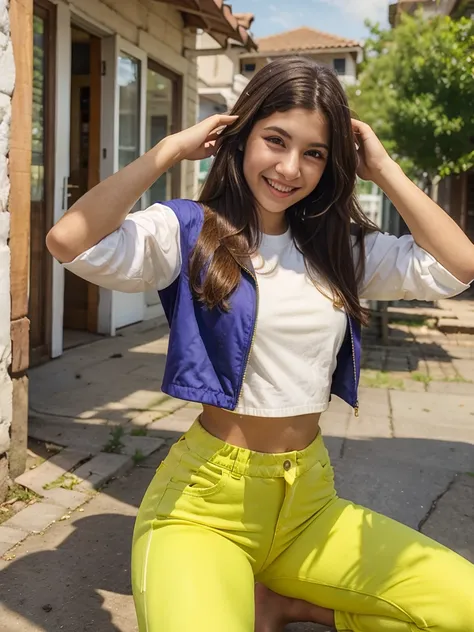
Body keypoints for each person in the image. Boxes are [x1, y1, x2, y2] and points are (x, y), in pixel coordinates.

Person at [46, 57, 474, 632]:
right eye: (275, 140)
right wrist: (171, 148)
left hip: (308, 504)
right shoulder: (187, 231)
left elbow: (460, 264)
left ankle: (284, 602)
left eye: (315, 152)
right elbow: (70, 241)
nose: (290, 168)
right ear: (240, 135)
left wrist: (385, 168)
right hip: (203, 509)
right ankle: (267, 599)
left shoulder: (339, 249)